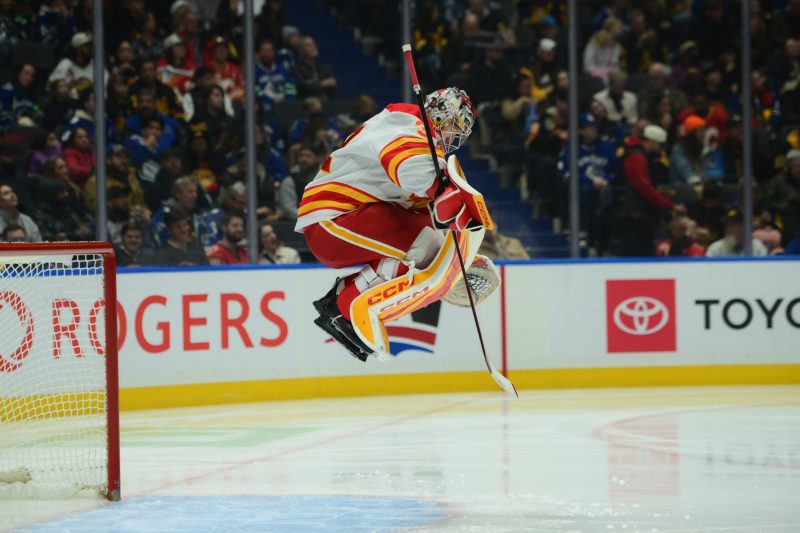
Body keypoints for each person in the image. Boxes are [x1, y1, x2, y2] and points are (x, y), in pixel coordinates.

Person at [296, 87, 487, 361]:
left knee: (430, 245)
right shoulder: (406, 122)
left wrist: (455, 258)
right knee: (426, 246)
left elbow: (425, 213)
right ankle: (347, 307)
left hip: (345, 216)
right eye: (455, 128)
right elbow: (407, 167)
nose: (453, 138)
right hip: (333, 217)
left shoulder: (417, 137)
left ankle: (344, 299)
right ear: (442, 115)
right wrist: (443, 188)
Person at [618, 124, 680, 256]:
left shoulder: (639, 155)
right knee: (634, 251)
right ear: (652, 141)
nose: (661, 149)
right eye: (660, 145)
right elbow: (643, 187)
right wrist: (668, 204)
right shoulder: (637, 157)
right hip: (635, 213)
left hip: (638, 212)